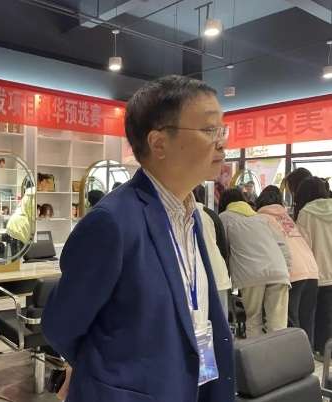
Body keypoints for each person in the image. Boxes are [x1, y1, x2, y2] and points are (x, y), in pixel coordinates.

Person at [43, 75, 234, 402]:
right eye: (209, 130)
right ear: (158, 143)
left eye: (222, 130)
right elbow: (61, 325)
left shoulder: (192, 215)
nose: (222, 143)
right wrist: (109, 375)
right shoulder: (112, 222)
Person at [219, 188, 291, 338]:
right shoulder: (261, 218)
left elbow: (223, 252)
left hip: (251, 275)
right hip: (279, 272)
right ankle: (280, 353)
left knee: (253, 320)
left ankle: (257, 353)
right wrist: (286, 270)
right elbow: (283, 246)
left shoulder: (224, 217)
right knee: (278, 326)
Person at [256, 185, 319, 346]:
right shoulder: (286, 217)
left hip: (292, 272)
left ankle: (295, 357)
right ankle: (308, 356)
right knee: (306, 321)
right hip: (312, 270)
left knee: (291, 323)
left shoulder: (261, 219)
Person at [295, 177, 332, 358]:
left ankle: (319, 356)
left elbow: (303, 245)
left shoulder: (306, 213)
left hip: (316, 273)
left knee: (316, 319)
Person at [193, 185, 231, 318]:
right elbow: (223, 249)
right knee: (220, 324)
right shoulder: (211, 214)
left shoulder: (179, 214)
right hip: (218, 275)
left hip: (196, 282)